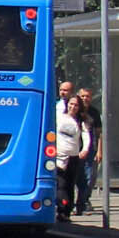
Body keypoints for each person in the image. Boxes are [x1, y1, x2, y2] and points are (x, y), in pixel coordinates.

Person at [50, 89, 90, 220]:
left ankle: (66, 212)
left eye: (76, 105)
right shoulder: (59, 117)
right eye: (71, 104)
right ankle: (61, 208)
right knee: (60, 184)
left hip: (73, 157)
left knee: (70, 184)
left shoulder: (81, 122)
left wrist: (85, 149)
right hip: (59, 156)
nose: (73, 107)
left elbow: (86, 136)